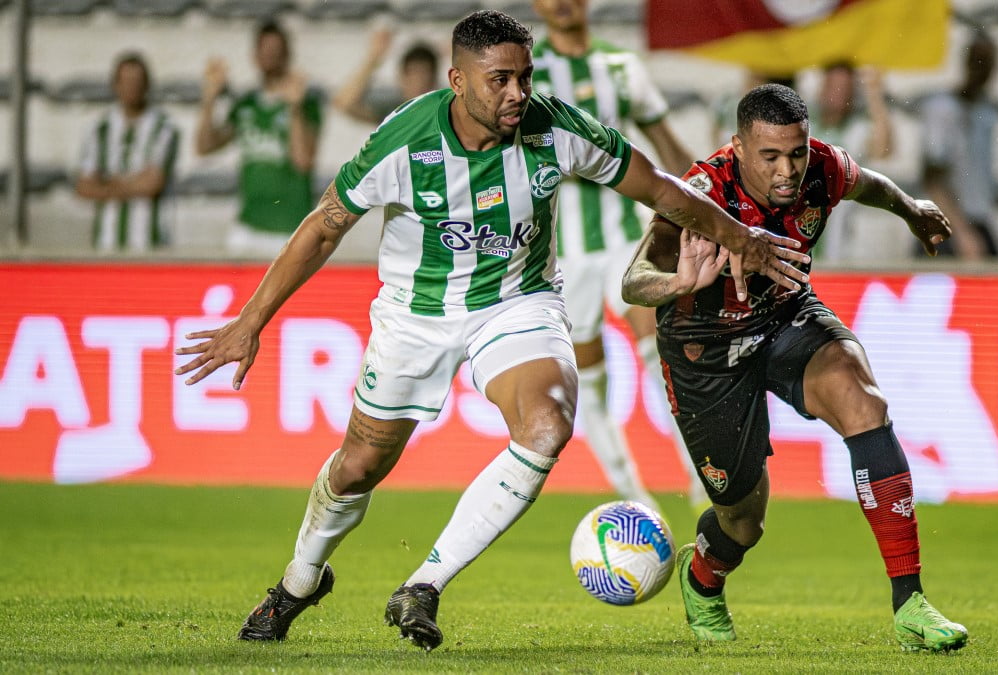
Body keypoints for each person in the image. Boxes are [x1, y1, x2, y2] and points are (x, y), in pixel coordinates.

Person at [174, 11, 807, 653]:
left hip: (518, 302)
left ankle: (424, 584)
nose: (517, 95)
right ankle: (300, 579)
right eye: (499, 80)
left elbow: (655, 186)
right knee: (360, 465)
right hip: (417, 313)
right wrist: (251, 322)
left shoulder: (555, 126)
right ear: (457, 80)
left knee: (548, 425)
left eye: (525, 78)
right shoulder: (403, 142)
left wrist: (739, 236)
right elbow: (323, 226)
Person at [621, 83, 969, 652]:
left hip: (785, 316)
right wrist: (680, 283)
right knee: (742, 520)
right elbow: (633, 282)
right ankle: (704, 577)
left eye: (797, 153)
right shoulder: (700, 193)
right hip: (704, 352)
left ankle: (910, 603)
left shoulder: (821, 168)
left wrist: (912, 210)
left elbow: (868, 184)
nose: (788, 170)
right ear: (737, 148)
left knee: (863, 399)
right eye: (770, 156)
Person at [531, 0, 705, 512]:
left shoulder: (621, 67)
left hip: (629, 237)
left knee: (658, 350)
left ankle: (700, 479)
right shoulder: (528, 73)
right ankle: (632, 495)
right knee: (589, 376)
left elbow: (666, 145)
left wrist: (707, 205)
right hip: (563, 252)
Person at [195, 19, 323, 257]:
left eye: (276, 50)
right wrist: (210, 99)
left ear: (287, 54)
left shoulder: (307, 104)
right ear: (254, 55)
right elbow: (204, 147)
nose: (270, 56)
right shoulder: (246, 104)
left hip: (289, 227)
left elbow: (303, 161)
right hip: (248, 225)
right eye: (265, 50)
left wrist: (294, 109)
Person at [75, 52, 179, 253]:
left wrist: (108, 182)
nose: (132, 87)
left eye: (137, 81)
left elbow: (152, 184)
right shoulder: (99, 128)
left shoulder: (164, 128)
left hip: (149, 245)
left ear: (147, 85)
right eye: (126, 81)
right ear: (115, 85)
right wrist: (134, 182)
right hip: (106, 245)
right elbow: (84, 187)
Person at [919, 30, 998, 260]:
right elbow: (933, 178)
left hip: (977, 220)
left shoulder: (985, 111)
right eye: (978, 60)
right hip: (947, 225)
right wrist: (962, 233)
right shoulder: (943, 110)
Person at [807, 61, 894, 264]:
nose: (838, 94)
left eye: (845, 88)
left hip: (838, 240)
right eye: (834, 85)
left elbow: (884, 149)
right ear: (822, 86)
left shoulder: (857, 130)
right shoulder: (804, 126)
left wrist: (874, 94)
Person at [333, 29, 440, 124]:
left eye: (424, 76)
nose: (418, 83)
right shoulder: (394, 114)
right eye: (412, 76)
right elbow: (344, 103)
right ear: (401, 78)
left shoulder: (446, 112)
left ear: (433, 79)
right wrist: (374, 58)